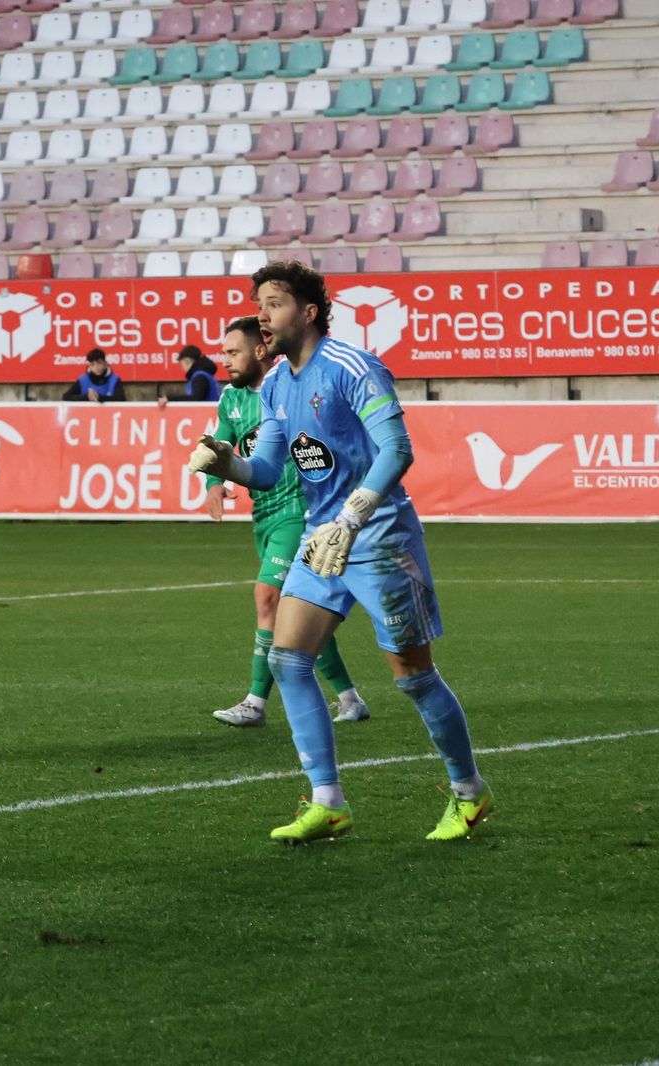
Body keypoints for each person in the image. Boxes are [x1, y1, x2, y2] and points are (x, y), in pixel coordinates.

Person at [188, 260, 492, 844]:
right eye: (259, 303)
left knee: (413, 675)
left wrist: (351, 519)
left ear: (308, 312)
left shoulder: (354, 367)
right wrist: (228, 467)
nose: (262, 315)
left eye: (273, 303)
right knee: (288, 657)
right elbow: (271, 468)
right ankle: (328, 802)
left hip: (377, 538)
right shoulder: (274, 383)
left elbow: (396, 450)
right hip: (321, 540)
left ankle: (470, 793)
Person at [203, 315, 369, 729]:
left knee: (268, 599)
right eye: (224, 353)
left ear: (260, 350)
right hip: (264, 514)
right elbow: (220, 446)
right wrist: (213, 483)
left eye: (233, 352)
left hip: (299, 511)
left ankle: (255, 702)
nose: (225, 360)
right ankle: (350, 697)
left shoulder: (287, 387)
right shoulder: (231, 399)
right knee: (299, 611)